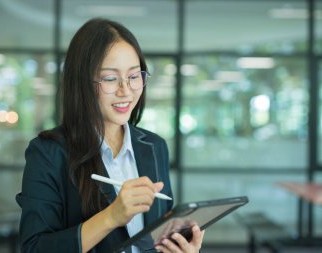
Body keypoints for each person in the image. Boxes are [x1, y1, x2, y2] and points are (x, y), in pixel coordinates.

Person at [16, 18, 205, 253]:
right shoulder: (48, 152)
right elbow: (35, 248)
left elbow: (155, 238)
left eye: (134, 76)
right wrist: (111, 217)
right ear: (82, 82)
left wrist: (179, 247)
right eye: (110, 78)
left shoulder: (155, 146)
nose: (125, 91)